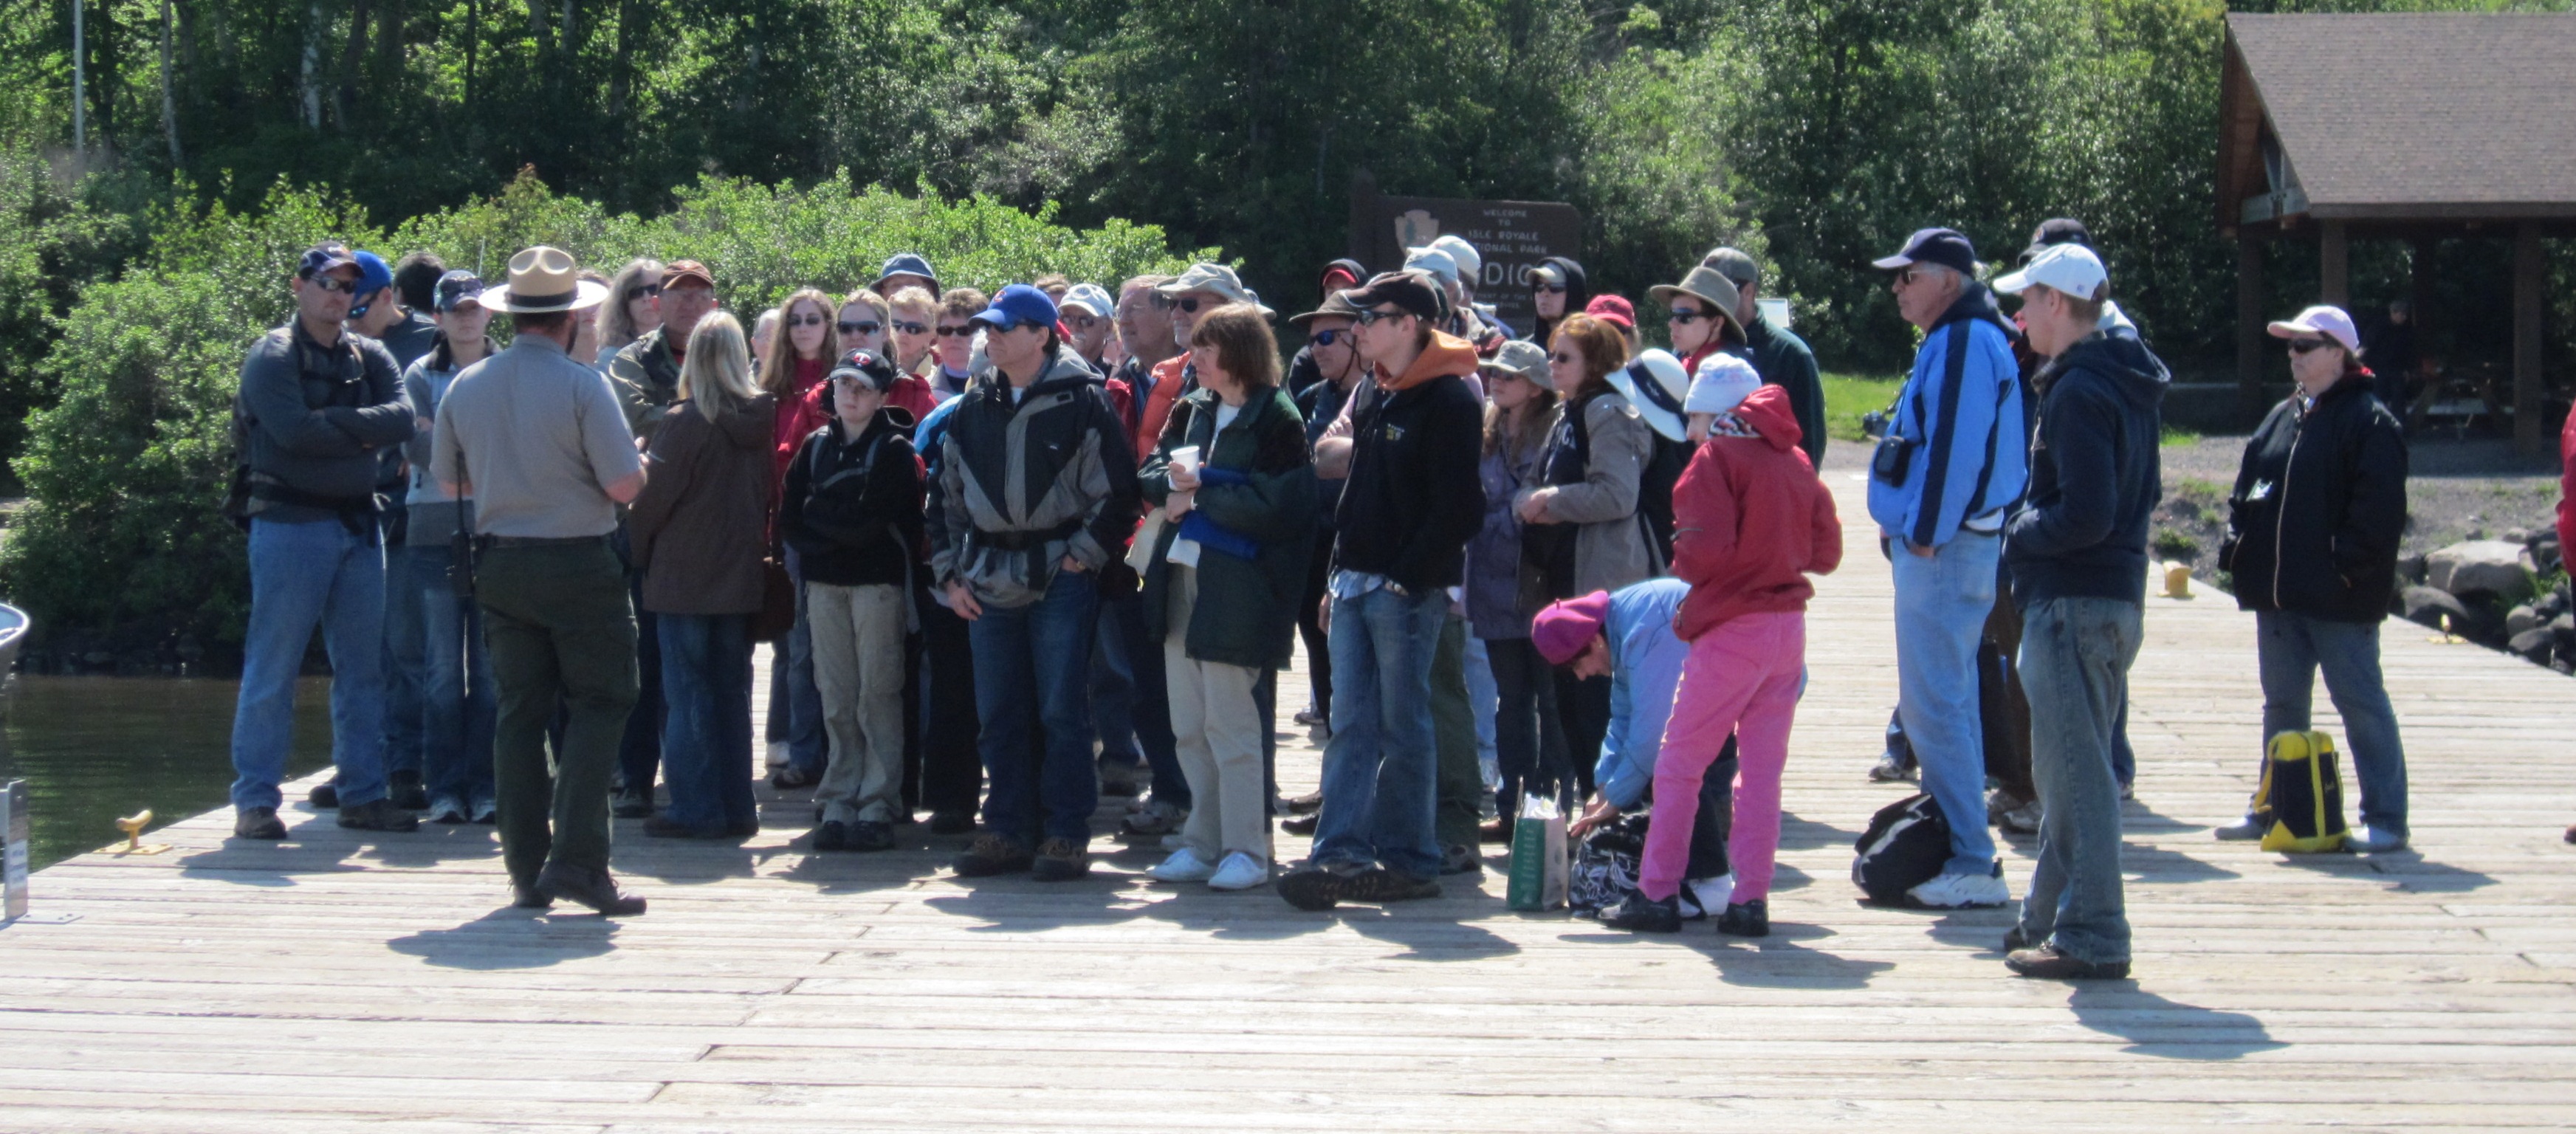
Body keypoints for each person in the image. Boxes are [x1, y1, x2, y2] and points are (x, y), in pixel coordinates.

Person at [430, 245, 646, 915]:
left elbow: (449, 481)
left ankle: (527, 872)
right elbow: (623, 486)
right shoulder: (585, 386)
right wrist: (640, 464)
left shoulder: (467, 386)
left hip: (500, 564)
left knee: (519, 714)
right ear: (573, 317)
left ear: (513, 314)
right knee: (602, 701)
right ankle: (578, 862)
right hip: (579, 563)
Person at [1595, 380, 1842, 936]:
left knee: (1679, 764)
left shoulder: (1716, 457)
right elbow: (1826, 554)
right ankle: (1749, 900)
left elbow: (1700, 556)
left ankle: (1656, 893)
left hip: (1731, 630)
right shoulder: (1796, 458)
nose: (1688, 430)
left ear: (1718, 411)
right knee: (1760, 776)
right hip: (1787, 630)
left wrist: (1691, 561)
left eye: (1693, 415)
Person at [1988, 244, 2167, 980]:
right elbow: (2138, 500)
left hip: (2071, 602)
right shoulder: (2126, 380)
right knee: (2070, 774)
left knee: (2075, 778)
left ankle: (2094, 934)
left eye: (2026, 301)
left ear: (2057, 304)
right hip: (2114, 599)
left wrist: (2018, 532)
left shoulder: (2075, 390)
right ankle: (2043, 918)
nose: (2018, 314)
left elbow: (2084, 513)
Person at [1277, 271, 1483, 912]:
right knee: (1349, 724)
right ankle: (1339, 852)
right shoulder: (1373, 390)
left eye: (1371, 317)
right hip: (1353, 580)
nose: (1358, 328)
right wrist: (1338, 576)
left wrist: (1403, 575)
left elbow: (1460, 509)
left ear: (1410, 324)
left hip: (1403, 591)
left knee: (1405, 724)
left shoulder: (1450, 399)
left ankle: (1408, 857)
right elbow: (1356, 489)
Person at [929, 284, 1141, 882]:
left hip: (1059, 580)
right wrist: (949, 577)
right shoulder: (971, 406)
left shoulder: (1084, 401)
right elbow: (942, 502)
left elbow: (1120, 495)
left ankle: (1067, 833)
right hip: (986, 580)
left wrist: (1080, 558)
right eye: (986, 327)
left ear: (1041, 335)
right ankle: (1004, 830)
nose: (987, 335)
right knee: (998, 712)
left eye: (1003, 327)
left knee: (1061, 712)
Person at [225, 242, 419, 840]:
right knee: (273, 667)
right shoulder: (272, 356)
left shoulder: (373, 354)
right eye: (327, 283)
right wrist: (358, 431)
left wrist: (332, 424)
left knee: (363, 670)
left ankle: (363, 793)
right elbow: (291, 434)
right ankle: (255, 801)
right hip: (289, 527)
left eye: (347, 286)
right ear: (299, 286)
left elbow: (403, 419)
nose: (339, 295)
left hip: (360, 527)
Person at [1865, 227, 2029, 910]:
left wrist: (1925, 532)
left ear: (1949, 282)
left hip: (1945, 546)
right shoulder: (1962, 335)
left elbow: (1957, 450)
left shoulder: (1963, 340)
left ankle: (1972, 857)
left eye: (1909, 275)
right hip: (1953, 544)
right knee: (1944, 702)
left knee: (1935, 706)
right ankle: (1956, 838)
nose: (1897, 286)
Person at [2214, 305, 2411, 854]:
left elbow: (2378, 517)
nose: (2294, 356)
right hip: (2277, 597)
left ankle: (2387, 817)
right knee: (2281, 706)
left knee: (2360, 702)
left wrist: (2342, 573)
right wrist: (2237, 548)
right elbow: (2246, 490)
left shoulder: (2370, 422)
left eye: (2305, 345)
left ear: (2337, 353)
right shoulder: (2282, 415)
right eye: (2290, 347)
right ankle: (2273, 806)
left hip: (2338, 602)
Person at [1136, 304, 1317, 890]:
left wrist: (1204, 494)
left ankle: (1247, 849)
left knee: (1232, 725)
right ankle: (1201, 841)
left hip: (1241, 588)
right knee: (1188, 723)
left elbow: (1283, 507)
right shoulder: (1191, 408)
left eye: (1208, 348)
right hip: (1181, 578)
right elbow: (1150, 470)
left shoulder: (1278, 419)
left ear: (1239, 353)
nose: (1196, 357)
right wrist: (1173, 487)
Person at [625, 312, 773, 840]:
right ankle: (738, 806)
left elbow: (650, 505)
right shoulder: (761, 418)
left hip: (682, 580)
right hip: (738, 577)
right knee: (731, 693)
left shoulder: (685, 421)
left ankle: (695, 806)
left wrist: (637, 555)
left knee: (687, 694)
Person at [783, 348, 924, 853]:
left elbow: (878, 518)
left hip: (878, 585)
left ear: (883, 395)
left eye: (863, 387)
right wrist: (835, 523)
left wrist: (827, 519)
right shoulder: (815, 446)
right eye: (843, 384)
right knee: (836, 693)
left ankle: (879, 800)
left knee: (878, 692)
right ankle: (839, 795)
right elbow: (792, 520)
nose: (851, 395)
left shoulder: (893, 451)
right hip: (823, 586)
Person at [1545, 580, 1742, 925]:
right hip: (1728, 674)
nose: (1580, 677)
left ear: (1593, 641)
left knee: (1672, 763)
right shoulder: (1622, 625)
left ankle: (1712, 882)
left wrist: (1617, 797)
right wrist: (1604, 786)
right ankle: (1691, 876)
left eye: (1576, 664)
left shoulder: (1645, 632)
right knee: (1656, 766)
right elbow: (1623, 717)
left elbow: (1653, 735)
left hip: (1751, 674)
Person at [604, 259, 718, 817]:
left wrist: (682, 423)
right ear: (658, 302)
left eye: (699, 295)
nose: (687, 305)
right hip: (647, 529)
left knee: (714, 667)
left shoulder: (727, 351)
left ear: (713, 302)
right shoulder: (631, 360)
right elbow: (635, 418)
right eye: (676, 295)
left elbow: (741, 413)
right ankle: (635, 775)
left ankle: (701, 780)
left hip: (713, 532)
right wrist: (701, 419)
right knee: (643, 660)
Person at [396, 271, 500, 825]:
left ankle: (486, 788)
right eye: (455, 308)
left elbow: (511, 443)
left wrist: (449, 434)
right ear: (437, 317)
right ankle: (444, 790)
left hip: (497, 530)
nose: (466, 315)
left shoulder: (505, 370)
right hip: (431, 532)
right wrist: (470, 440)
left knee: (487, 670)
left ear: (490, 314)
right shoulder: (417, 374)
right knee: (440, 669)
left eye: (475, 306)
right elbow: (417, 447)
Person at [1466, 340, 1568, 819]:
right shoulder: (1483, 431)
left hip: (1541, 587)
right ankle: (1511, 807)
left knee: (1550, 702)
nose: (1497, 379)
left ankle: (1548, 808)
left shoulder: (1554, 434)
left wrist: (1500, 517)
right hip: (1491, 586)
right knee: (1510, 702)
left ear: (1536, 388)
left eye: (1510, 374)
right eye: (1494, 371)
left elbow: (1544, 512)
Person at [756, 289, 842, 791]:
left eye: (814, 320)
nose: (805, 328)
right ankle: (793, 743)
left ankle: (827, 747)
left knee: (830, 649)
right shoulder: (771, 392)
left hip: (832, 528)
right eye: (796, 321)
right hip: (787, 530)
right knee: (794, 647)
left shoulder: (842, 384)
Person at [1287, 287, 1367, 736]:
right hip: (1313, 550)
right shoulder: (1312, 398)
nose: (1316, 350)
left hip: (1357, 551)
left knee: (1358, 677)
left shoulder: (1383, 396)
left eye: (1327, 338)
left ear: (1359, 337)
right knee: (1322, 664)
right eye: (1311, 341)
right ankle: (1333, 788)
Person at [1699, 248, 1827, 467]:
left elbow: (1809, 446)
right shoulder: (1694, 343)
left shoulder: (1790, 354)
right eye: (1703, 289)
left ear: (1749, 291)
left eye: (1721, 288)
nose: (1710, 299)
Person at [1285, 261, 1365, 396]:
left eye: (1327, 337)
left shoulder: (1387, 384)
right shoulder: (1309, 400)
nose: (1316, 348)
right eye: (1331, 290)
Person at [596, 259, 665, 360]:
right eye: (636, 292)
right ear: (623, 302)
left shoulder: (686, 347)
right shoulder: (612, 356)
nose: (646, 298)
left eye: (654, 289)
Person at [930, 288, 987, 402]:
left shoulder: (1003, 388)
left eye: (964, 331)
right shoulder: (923, 391)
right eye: (946, 330)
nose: (954, 337)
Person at [1528, 257, 1591, 346]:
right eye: (1539, 286)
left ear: (1574, 293)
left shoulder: (1592, 351)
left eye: (1555, 287)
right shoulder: (1523, 352)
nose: (1544, 293)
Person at [887, 286, 942, 383]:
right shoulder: (873, 376)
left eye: (913, 329)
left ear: (930, 335)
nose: (902, 333)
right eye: (895, 325)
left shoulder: (937, 382)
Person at [1060, 284, 1117, 369]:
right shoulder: (1044, 372)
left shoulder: (1117, 378)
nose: (1075, 327)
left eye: (1085, 321)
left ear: (1107, 327)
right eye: (1067, 319)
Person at [873, 253, 940, 300]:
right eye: (896, 285)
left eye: (912, 285)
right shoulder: (867, 319)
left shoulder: (947, 320)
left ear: (930, 292)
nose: (904, 291)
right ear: (883, 294)